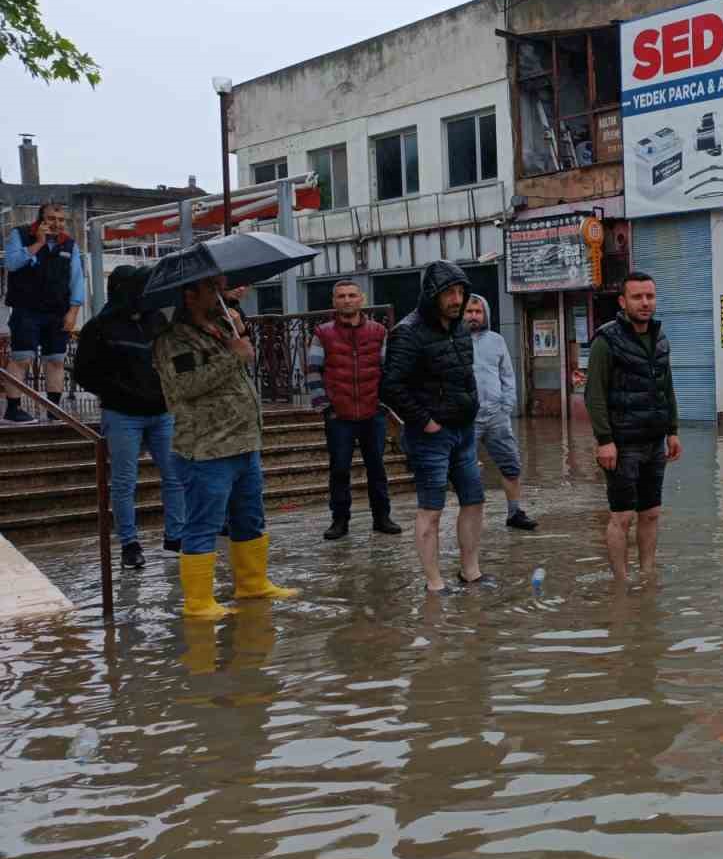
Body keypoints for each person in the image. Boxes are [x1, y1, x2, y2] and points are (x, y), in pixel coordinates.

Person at [153, 274, 298, 619]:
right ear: (190, 295)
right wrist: (234, 356)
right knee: (203, 523)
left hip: (243, 441)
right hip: (207, 447)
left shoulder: (222, 326)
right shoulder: (174, 339)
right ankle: (199, 601)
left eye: (221, 287)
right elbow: (186, 384)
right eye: (212, 288)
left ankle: (252, 583)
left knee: (249, 518)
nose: (221, 294)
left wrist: (240, 334)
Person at [380, 260, 490, 593]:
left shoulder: (459, 327)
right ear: (432, 294)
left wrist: (472, 406)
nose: (457, 300)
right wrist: (425, 422)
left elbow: (466, 372)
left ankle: (470, 571)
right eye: (449, 293)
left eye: (461, 292)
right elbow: (391, 387)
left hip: (464, 429)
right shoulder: (407, 332)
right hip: (431, 435)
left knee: (474, 500)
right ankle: (434, 582)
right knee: (431, 508)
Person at [72, 265, 186, 569]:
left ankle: (176, 536)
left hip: (161, 412)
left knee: (174, 476)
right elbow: (84, 371)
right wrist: (116, 392)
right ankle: (129, 544)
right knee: (125, 481)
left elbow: (172, 358)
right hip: (122, 414)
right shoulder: (99, 327)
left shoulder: (156, 321)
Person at [585, 272, 682, 584]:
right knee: (622, 516)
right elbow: (594, 394)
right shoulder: (606, 340)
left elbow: (667, 387)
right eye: (637, 297)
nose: (645, 303)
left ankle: (647, 575)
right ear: (622, 301)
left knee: (651, 513)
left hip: (654, 440)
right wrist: (604, 440)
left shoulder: (660, 338)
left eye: (650, 296)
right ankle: (621, 584)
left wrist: (673, 430)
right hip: (621, 443)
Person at [307, 278, 401, 540]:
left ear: (361, 299)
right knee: (339, 469)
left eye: (351, 295)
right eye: (341, 296)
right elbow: (313, 372)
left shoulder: (378, 331)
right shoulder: (323, 333)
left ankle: (382, 517)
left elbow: (387, 371)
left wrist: (384, 403)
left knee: (377, 468)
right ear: (334, 302)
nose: (347, 300)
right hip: (339, 414)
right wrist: (324, 407)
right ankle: (339, 520)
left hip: (373, 412)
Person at [3, 201, 85, 423]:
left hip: (57, 312)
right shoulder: (19, 235)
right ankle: (13, 409)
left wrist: (73, 312)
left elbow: (77, 280)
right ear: (40, 220)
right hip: (26, 310)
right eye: (51, 219)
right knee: (22, 358)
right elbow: (11, 263)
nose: (57, 224)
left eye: (60, 220)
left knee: (56, 360)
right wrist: (38, 243)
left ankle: (54, 409)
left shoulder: (70, 245)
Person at [464, 293, 538, 532]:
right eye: (469, 312)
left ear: (485, 314)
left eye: (478, 312)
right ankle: (471, 519)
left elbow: (507, 375)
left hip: (497, 415)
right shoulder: (452, 340)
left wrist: (507, 406)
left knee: (511, 464)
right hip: (466, 418)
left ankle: (514, 511)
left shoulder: (496, 340)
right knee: (466, 469)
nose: (474, 316)